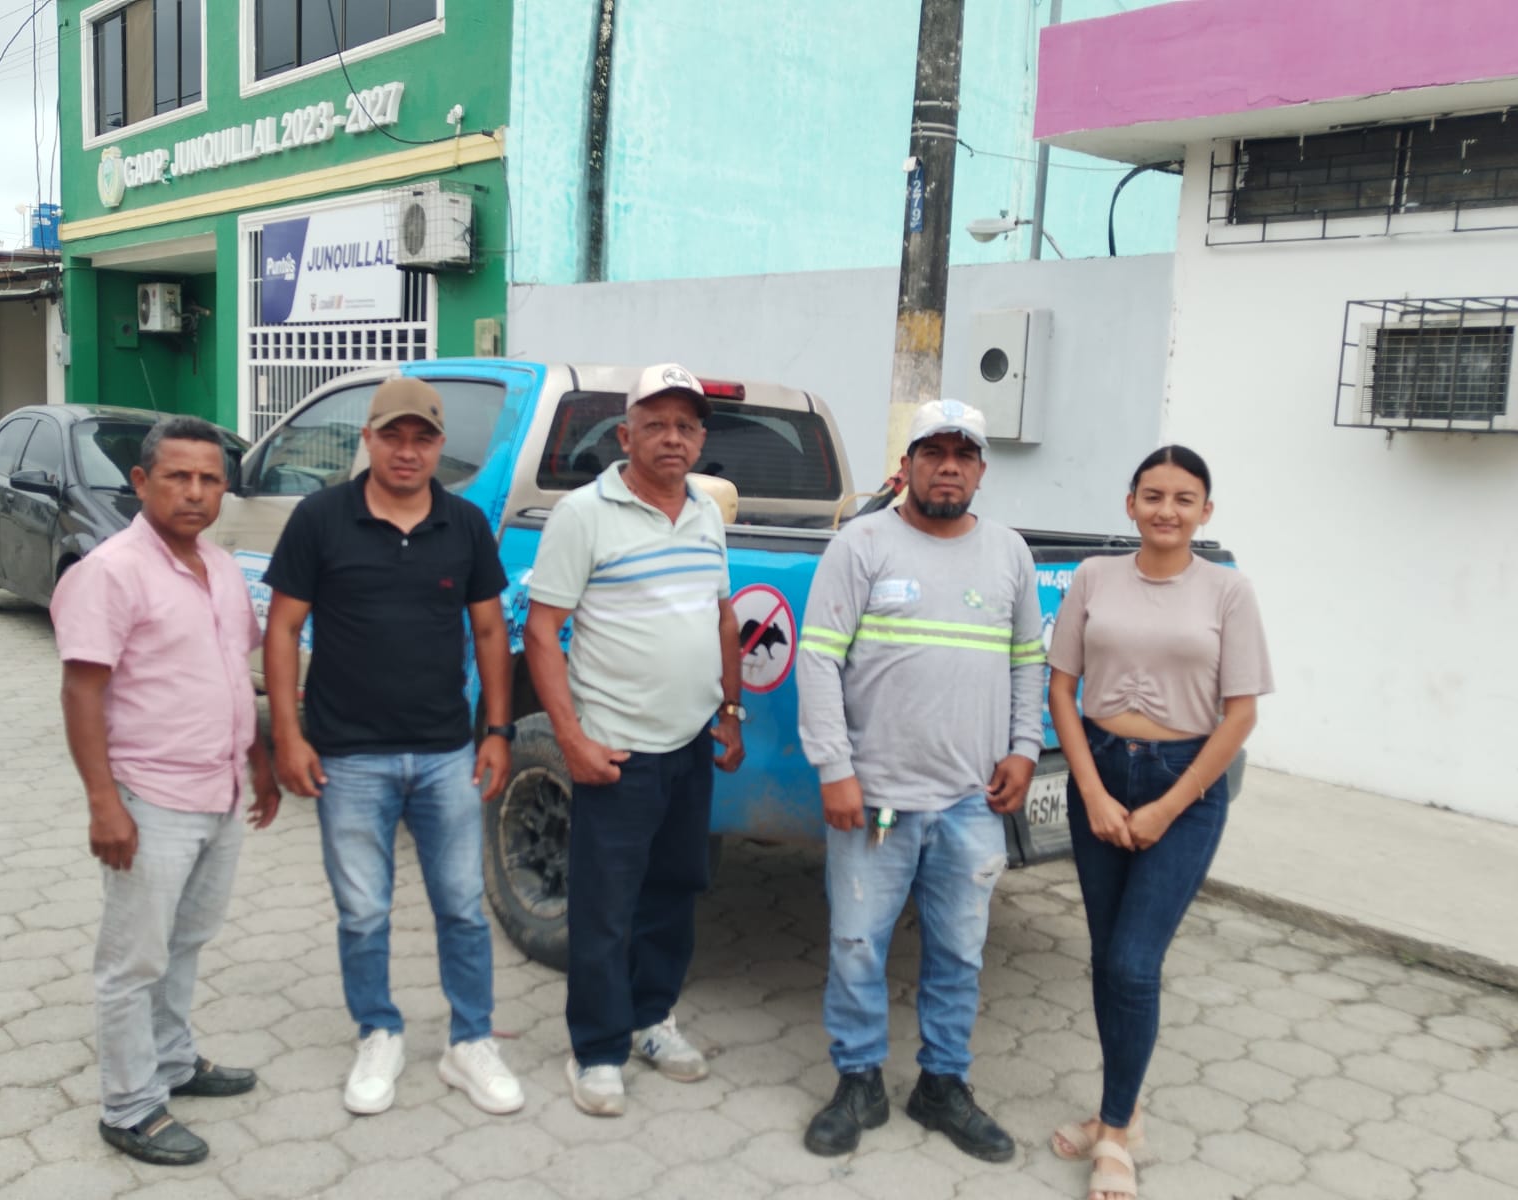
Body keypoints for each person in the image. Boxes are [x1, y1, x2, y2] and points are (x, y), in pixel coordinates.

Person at [262, 375, 522, 1118]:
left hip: (445, 754)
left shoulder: (464, 524)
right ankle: (378, 1031)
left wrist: (497, 732)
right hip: (347, 757)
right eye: (393, 436)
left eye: (423, 439)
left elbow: (489, 630)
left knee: (463, 907)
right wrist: (288, 736)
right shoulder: (320, 519)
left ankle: (470, 1042)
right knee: (363, 911)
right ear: (368, 439)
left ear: (439, 447)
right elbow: (282, 628)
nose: (408, 452)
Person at [797, 398, 1045, 1162]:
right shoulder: (861, 543)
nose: (947, 467)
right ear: (904, 465)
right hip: (875, 798)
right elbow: (817, 657)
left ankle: (942, 1083)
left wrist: (1024, 749)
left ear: (980, 469)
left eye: (962, 454)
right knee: (856, 944)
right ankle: (858, 1080)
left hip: (971, 801)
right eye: (932, 453)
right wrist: (834, 769)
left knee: (959, 952)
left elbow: (1026, 661)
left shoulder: (1008, 553)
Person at [52, 416, 280, 1167]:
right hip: (149, 797)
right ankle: (128, 1105)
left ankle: (174, 1062)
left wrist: (258, 761)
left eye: (210, 479)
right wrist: (103, 803)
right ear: (142, 482)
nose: (195, 492)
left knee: (187, 939)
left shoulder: (220, 567)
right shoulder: (111, 572)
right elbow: (82, 692)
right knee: (133, 959)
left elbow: (231, 673)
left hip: (219, 789)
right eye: (178, 476)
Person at [1046, 445, 1272, 1200]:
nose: (1165, 510)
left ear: (1205, 510)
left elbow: (1239, 714)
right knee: (1105, 955)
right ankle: (1124, 1112)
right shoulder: (1093, 577)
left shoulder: (1228, 591)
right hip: (1101, 773)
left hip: (1185, 786)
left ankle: (1114, 1134)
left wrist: (1166, 807)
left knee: (1134, 965)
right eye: (1152, 495)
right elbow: (1062, 689)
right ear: (1130, 503)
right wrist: (1093, 792)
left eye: (1182, 498)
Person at [524, 362, 745, 1117]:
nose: (672, 438)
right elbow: (543, 633)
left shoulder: (706, 513)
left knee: (674, 892)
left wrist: (730, 712)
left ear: (701, 439)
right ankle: (596, 1050)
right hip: (615, 752)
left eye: (686, 426)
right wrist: (571, 739)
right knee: (604, 907)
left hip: (689, 746)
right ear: (625, 435)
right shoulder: (583, 515)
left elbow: (722, 618)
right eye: (656, 425)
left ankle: (653, 1019)